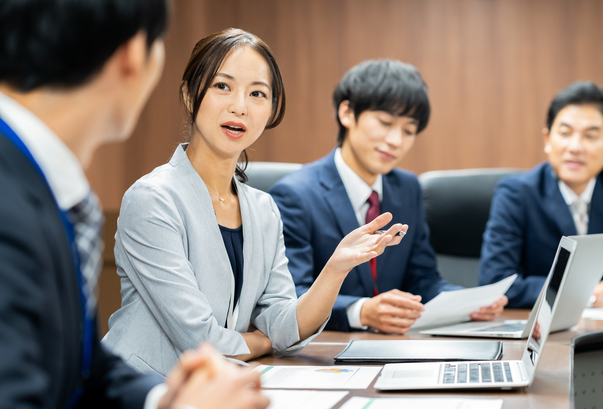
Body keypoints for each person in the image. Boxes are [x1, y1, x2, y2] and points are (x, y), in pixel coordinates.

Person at [0, 1, 271, 409]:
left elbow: (82, 369)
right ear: (132, 55)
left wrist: (161, 399)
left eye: (257, 93)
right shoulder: (11, 200)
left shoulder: (36, 179)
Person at [103, 29, 406, 371]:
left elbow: (283, 326)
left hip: (218, 392)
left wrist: (336, 268)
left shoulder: (263, 209)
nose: (239, 107)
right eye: (222, 86)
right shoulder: (153, 200)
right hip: (139, 394)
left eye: (257, 93)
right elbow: (204, 342)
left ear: (272, 109)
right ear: (190, 96)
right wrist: (263, 341)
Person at [269, 59, 507, 334]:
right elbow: (292, 293)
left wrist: (468, 302)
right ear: (347, 113)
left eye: (408, 130)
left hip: (397, 345)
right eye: (385, 122)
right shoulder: (295, 195)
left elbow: (423, 278)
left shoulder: (408, 188)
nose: (396, 140)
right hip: (326, 349)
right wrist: (361, 312)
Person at [479, 81, 603, 309]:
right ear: (547, 139)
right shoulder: (516, 193)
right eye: (565, 133)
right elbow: (496, 282)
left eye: (590, 136)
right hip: (534, 327)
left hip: (601, 332)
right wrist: (587, 296)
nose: (575, 147)